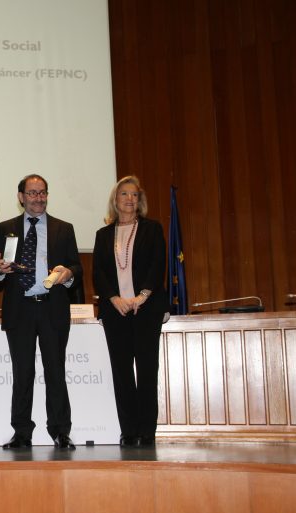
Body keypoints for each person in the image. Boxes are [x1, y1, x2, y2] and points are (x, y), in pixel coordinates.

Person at [0, 174, 82, 450]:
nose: (38, 198)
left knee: (55, 371)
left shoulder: (63, 228)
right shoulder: (4, 229)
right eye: (32, 193)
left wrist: (67, 274)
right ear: (21, 197)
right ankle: (22, 432)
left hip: (52, 308)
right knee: (23, 373)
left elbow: (76, 268)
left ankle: (61, 431)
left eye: (42, 192)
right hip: (19, 309)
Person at [92, 175, 168, 448]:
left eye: (134, 195)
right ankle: (129, 430)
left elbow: (158, 265)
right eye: (124, 194)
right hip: (116, 311)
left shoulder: (151, 229)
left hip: (146, 309)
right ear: (116, 200)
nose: (129, 199)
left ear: (140, 200)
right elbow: (98, 273)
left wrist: (142, 296)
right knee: (122, 372)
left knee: (147, 370)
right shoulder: (103, 235)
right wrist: (114, 298)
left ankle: (147, 431)